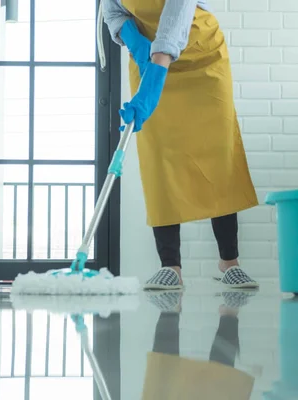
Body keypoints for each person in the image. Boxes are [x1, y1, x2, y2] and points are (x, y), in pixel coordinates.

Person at [102, 0, 259, 290]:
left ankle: (229, 262)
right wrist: (135, 43)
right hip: (148, 58)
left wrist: (154, 80)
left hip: (200, 54)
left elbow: (177, 12)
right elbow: (111, 9)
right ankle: (170, 266)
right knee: (159, 157)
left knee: (218, 153)